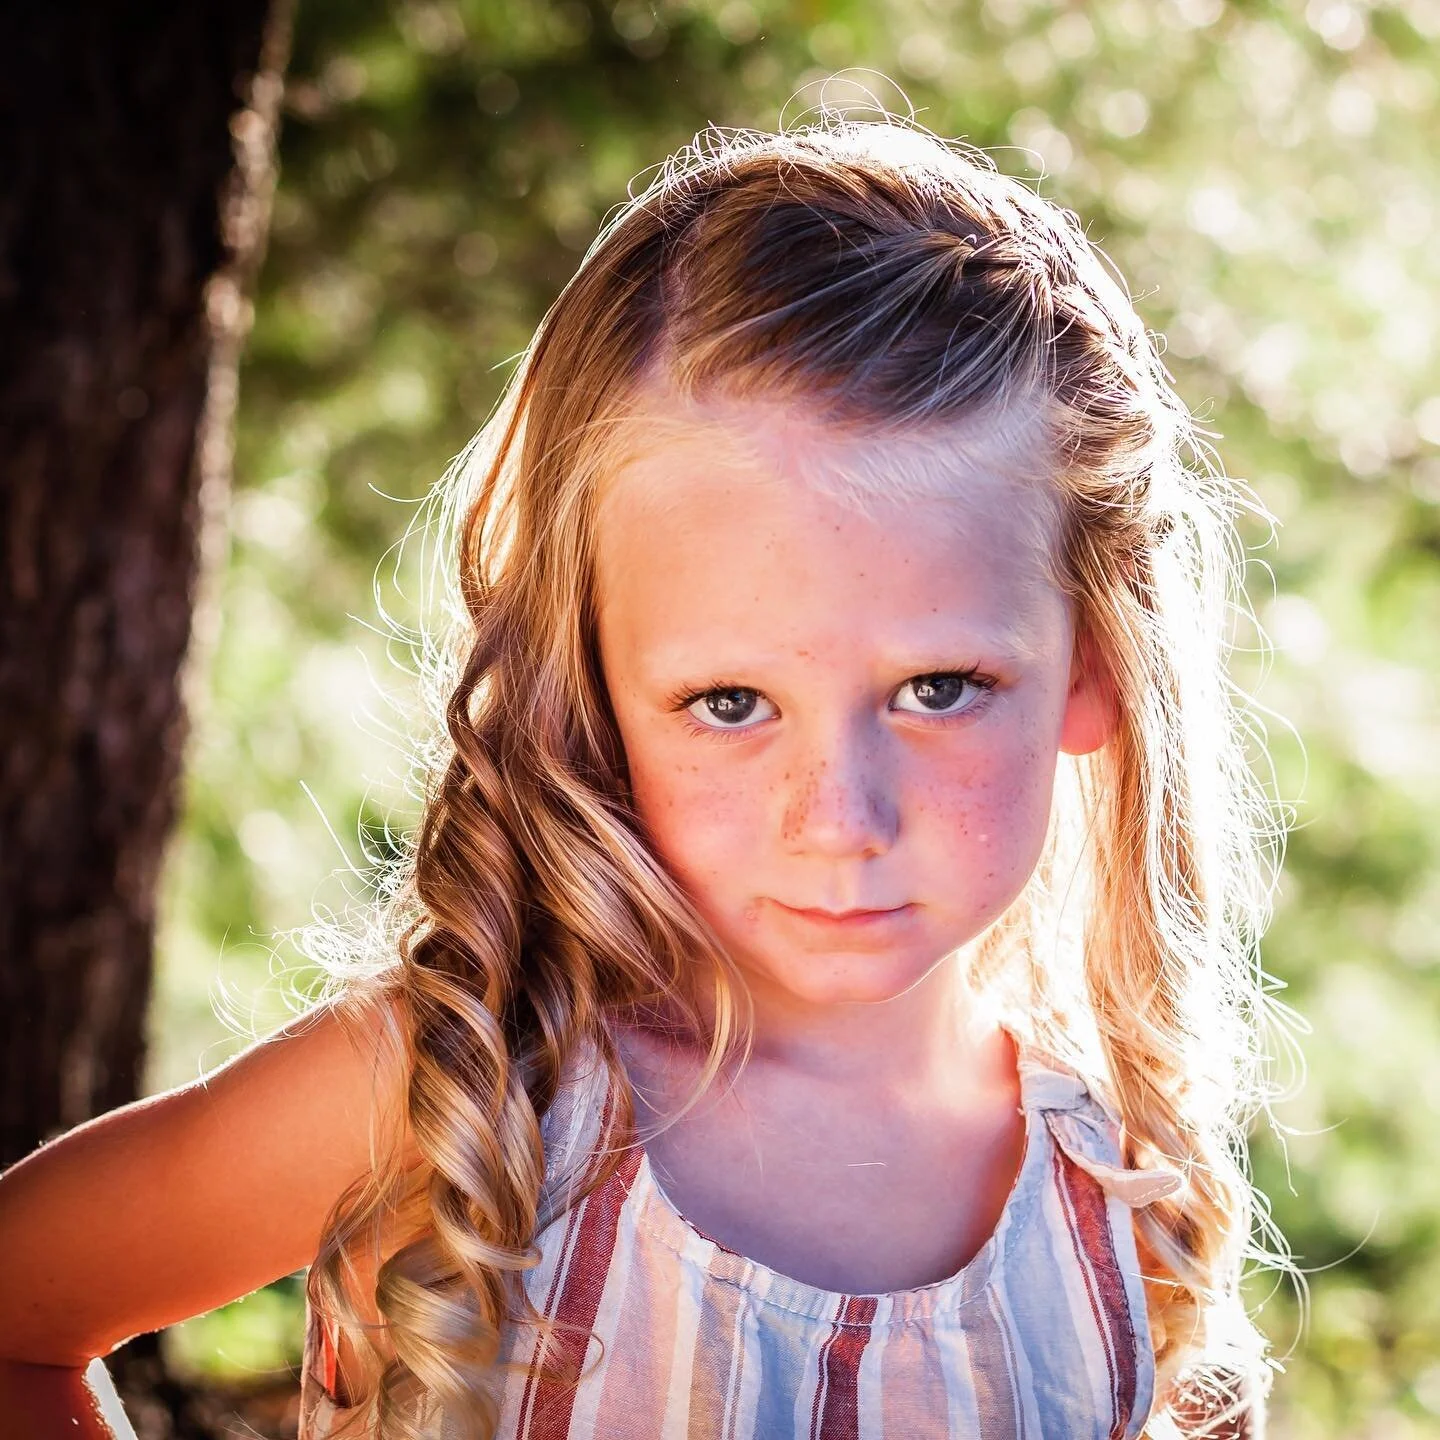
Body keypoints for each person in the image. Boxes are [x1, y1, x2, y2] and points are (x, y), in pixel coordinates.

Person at [0, 117, 1292, 1439]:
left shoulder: (1118, 1194)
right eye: (729, 704)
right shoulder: (463, 1097)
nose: (842, 820)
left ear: (1092, 663)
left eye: (936, 691)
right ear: (589, 692)